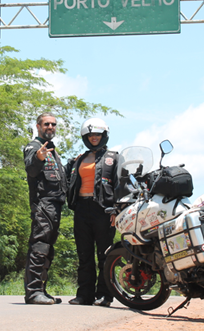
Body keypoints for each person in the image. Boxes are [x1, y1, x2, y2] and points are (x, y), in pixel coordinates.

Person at [66, 118, 118, 307]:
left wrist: (116, 210)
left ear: (103, 135)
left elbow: (120, 185)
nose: (94, 137)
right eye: (90, 135)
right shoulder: (79, 159)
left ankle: (105, 295)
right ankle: (84, 295)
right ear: (86, 137)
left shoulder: (113, 157)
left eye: (97, 134)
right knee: (84, 254)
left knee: (105, 254)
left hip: (104, 210)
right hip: (81, 208)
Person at [22, 112, 67, 305]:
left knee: (48, 250)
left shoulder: (53, 150)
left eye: (53, 124)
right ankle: (32, 292)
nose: (50, 127)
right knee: (39, 246)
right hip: (43, 205)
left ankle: (40, 289)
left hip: (55, 205)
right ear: (38, 126)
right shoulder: (34, 147)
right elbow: (31, 169)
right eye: (46, 124)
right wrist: (38, 157)